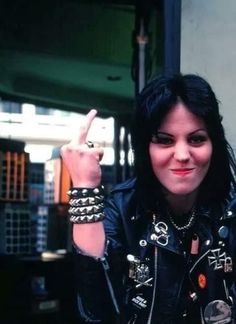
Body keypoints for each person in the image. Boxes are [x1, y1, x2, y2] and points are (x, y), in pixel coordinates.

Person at [61, 74, 236, 323]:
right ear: (145, 148)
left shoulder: (231, 209)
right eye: (164, 140)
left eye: (196, 139)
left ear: (213, 144)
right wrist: (84, 187)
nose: (183, 154)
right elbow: (96, 312)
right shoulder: (122, 209)